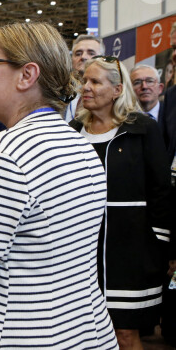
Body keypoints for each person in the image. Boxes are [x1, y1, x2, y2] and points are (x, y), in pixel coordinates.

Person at [0, 22, 118, 349]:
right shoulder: (82, 146)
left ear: (27, 75)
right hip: (87, 332)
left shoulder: (3, 155)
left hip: (15, 336)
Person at [69, 56, 172, 350]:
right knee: (84, 333)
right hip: (82, 251)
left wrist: (160, 243)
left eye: (95, 81)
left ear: (116, 89)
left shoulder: (142, 128)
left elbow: (160, 190)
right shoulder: (74, 131)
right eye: (84, 81)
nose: (85, 88)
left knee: (125, 334)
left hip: (132, 251)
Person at [65, 35, 105, 122]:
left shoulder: (110, 95)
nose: (83, 57)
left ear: (102, 58)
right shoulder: (61, 92)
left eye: (91, 53)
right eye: (78, 54)